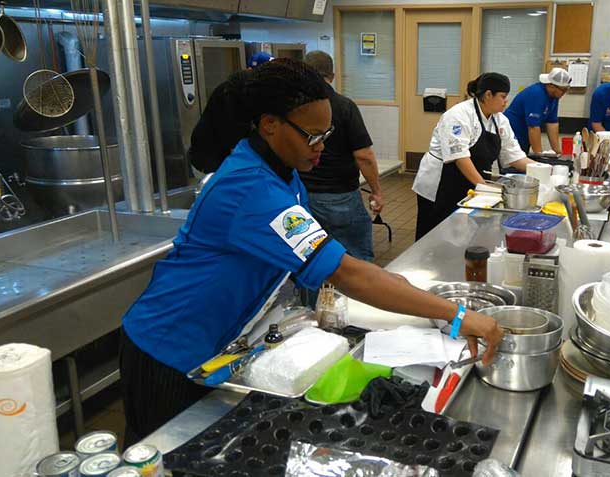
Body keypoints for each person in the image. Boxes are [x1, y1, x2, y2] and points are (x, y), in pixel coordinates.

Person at [119, 59, 504, 444]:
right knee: (159, 455)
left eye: (327, 135)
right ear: (270, 124)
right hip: (167, 345)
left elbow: (327, 257)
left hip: (215, 340)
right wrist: (458, 316)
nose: (322, 148)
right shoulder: (249, 188)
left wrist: (403, 288)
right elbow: (347, 273)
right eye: (313, 137)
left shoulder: (283, 175)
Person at [412, 73, 535, 240]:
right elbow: (460, 157)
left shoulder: (500, 120)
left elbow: (514, 156)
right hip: (441, 183)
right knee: (434, 234)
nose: (506, 101)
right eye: (503, 97)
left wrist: (544, 171)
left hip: (469, 181)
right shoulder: (458, 115)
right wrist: (484, 187)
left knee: (463, 234)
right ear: (488, 95)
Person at [300, 50, 382, 262]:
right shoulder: (343, 106)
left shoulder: (292, 106)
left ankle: (314, 295)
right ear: (332, 76)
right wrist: (376, 191)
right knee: (356, 257)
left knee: (311, 260)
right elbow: (364, 155)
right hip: (339, 197)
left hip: (302, 194)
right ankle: (355, 296)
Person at [187, 52, 274, 175]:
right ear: (250, 70)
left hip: (222, 154)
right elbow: (233, 136)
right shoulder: (232, 92)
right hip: (210, 158)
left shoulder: (253, 91)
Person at [187, 69, 253, 174]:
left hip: (214, 150)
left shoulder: (239, 89)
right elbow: (233, 136)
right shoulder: (231, 96)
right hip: (209, 155)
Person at [503, 68, 571, 154]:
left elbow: (552, 123)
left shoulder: (554, 96)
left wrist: (557, 152)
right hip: (512, 134)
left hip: (525, 136)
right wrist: (539, 155)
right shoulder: (536, 94)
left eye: (566, 89)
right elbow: (533, 127)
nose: (564, 93)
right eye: (563, 90)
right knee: (515, 164)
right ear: (551, 86)